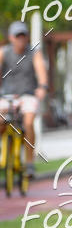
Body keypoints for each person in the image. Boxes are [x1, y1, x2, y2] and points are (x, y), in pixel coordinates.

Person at [0, 21, 49, 177]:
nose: (21, 39)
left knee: (28, 123)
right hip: (7, 95)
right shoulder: (3, 52)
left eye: (23, 36)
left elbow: (41, 72)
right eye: (17, 36)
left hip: (28, 94)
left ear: (27, 37)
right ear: (11, 38)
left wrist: (42, 87)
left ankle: (29, 164)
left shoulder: (34, 53)